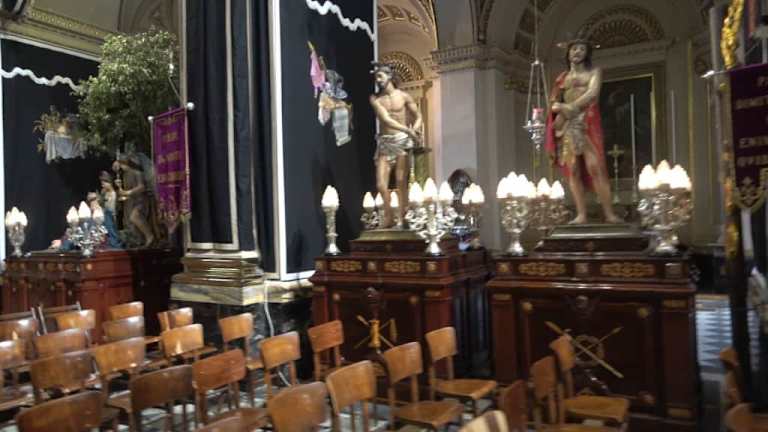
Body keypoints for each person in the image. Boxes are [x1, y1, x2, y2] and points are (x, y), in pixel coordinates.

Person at [545, 34, 621, 224]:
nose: (577, 52)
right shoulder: (562, 78)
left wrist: (571, 107)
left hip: (587, 121)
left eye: (582, 49)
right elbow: (553, 102)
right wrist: (562, 108)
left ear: (587, 53)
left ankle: (609, 213)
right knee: (573, 170)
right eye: (574, 49)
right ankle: (581, 214)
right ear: (568, 53)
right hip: (567, 124)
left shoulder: (594, 73)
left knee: (595, 167)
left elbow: (592, 94)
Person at [369, 62, 422, 228]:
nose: (378, 80)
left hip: (402, 142)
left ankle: (404, 216)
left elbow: (418, 116)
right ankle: (389, 216)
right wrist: (408, 130)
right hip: (386, 143)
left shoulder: (404, 96)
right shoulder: (375, 99)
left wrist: (415, 129)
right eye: (376, 77)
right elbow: (385, 120)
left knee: (400, 181)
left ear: (389, 76)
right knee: (381, 184)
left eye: (380, 76)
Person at [114, 153, 155, 247]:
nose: (122, 167)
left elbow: (141, 187)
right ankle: (140, 239)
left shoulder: (137, 173)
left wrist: (128, 192)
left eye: (122, 164)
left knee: (135, 217)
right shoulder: (125, 175)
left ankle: (149, 236)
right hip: (132, 202)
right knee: (130, 221)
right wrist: (120, 188)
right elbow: (123, 191)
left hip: (141, 200)